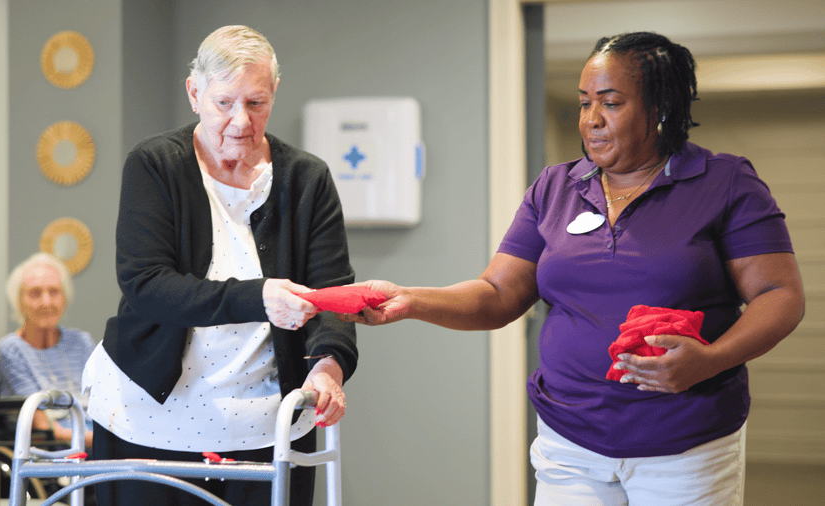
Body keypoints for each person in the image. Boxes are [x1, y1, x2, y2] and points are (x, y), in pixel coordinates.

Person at [341, 32, 805, 505]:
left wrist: (709, 361)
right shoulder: (556, 187)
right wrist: (411, 300)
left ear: (661, 107)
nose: (592, 120)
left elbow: (780, 295)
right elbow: (498, 294)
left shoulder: (724, 182)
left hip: (685, 441)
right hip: (570, 438)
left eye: (611, 103)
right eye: (585, 103)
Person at [81, 25, 357, 506]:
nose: (240, 120)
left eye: (256, 103)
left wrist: (329, 364)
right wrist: (260, 295)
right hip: (147, 414)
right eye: (224, 102)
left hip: (267, 424)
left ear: (273, 96)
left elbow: (331, 289)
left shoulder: (307, 178)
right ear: (195, 93)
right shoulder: (155, 165)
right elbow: (146, 283)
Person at [0, 252, 95, 447]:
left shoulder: (81, 342)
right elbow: (47, 429)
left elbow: (105, 404)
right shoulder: (12, 349)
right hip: (54, 448)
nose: (46, 302)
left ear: (65, 299)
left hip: (96, 440)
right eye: (35, 293)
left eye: (54, 292)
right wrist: (109, 443)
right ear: (19, 302)